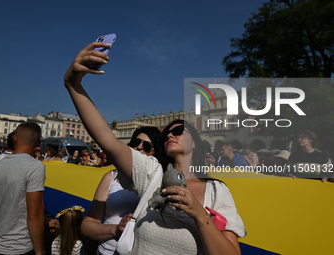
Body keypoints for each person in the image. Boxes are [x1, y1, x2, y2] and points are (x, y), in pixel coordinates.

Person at [64, 42, 245, 255]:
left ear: (195, 141)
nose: (169, 133)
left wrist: (199, 213)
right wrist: (73, 84)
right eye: (167, 131)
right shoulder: (152, 174)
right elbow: (109, 141)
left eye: (178, 130)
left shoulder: (217, 191)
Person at [81, 126, 162, 255]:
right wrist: (116, 230)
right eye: (136, 142)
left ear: (156, 152)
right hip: (107, 252)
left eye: (146, 146)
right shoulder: (111, 177)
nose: (139, 147)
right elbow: (87, 226)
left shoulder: (160, 182)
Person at [0, 123, 45, 255]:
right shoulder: (35, 166)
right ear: (38, 143)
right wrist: (39, 251)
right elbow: (34, 215)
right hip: (19, 246)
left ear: (14, 139)